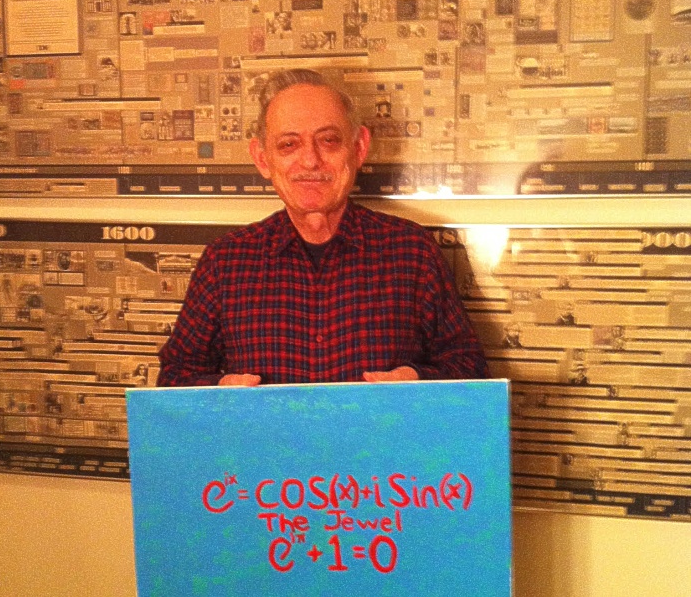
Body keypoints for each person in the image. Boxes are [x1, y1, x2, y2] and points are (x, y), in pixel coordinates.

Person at [157, 69, 488, 386]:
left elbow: (470, 368)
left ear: (358, 148)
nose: (311, 161)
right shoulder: (224, 262)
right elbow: (175, 376)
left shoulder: (413, 252)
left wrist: (417, 379)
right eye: (289, 144)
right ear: (262, 159)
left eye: (328, 140)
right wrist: (218, 389)